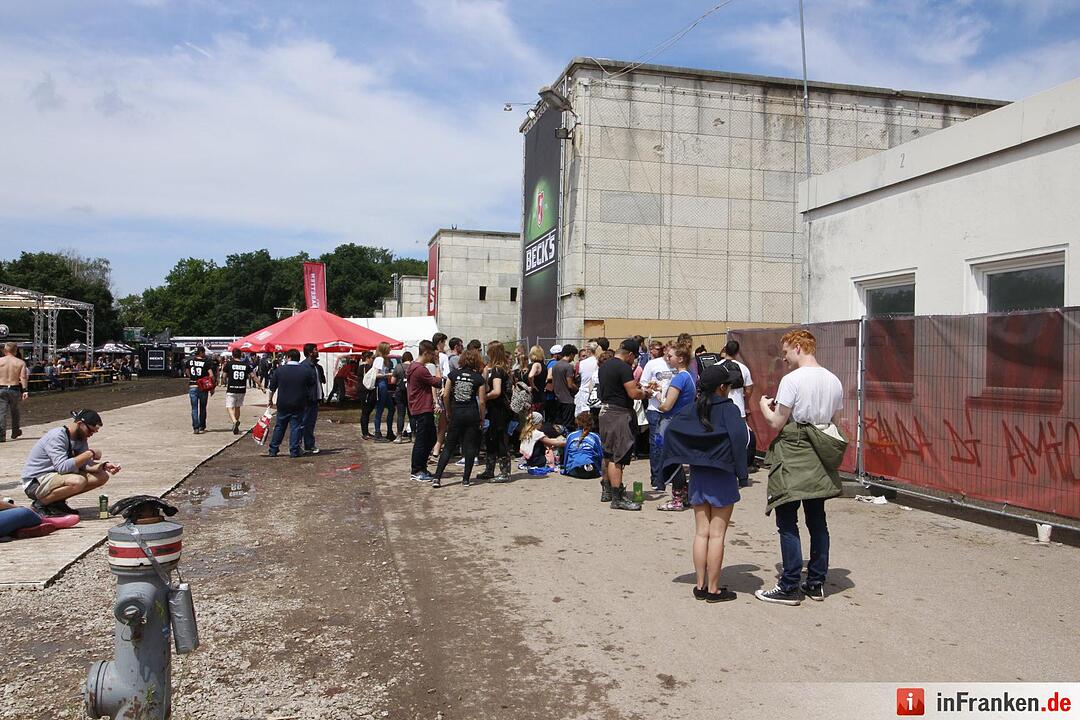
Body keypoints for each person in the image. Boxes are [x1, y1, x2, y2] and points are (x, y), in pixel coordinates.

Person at [755, 329, 847, 606]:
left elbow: (775, 422)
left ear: (797, 346)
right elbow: (836, 420)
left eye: (785, 353)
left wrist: (762, 406)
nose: (783, 359)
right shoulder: (833, 379)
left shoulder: (792, 380)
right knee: (817, 518)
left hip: (795, 451)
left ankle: (789, 584)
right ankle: (816, 582)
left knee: (786, 519)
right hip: (819, 450)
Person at [659, 364, 748, 603]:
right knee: (717, 535)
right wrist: (743, 474)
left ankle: (700, 584)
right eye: (728, 385)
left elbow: (671, 430)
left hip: (699, 475)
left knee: (701, 532)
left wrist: (683, 457)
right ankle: (714, 589)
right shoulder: (729, 410)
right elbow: (740, 440)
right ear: (722, 388)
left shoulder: (692, 409)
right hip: (722, 474)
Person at [20, 409, 121, 516]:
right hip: (36, 482)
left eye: (94, 432)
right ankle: (39, 505)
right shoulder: (57, 436)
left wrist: (104, 466)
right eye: (90, 431)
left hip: (56, 477)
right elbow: (62, 467)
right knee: (78, 481)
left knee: (102, 476)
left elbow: (85, 465)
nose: (91, 434)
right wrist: (90, 453)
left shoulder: (80, 438)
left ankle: (56, 502)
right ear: (80, 424)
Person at [597, 338, 647, 511]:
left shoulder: (605, 365)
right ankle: (617, 497)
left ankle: (607, 489)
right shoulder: (623, 367)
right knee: (618, 457)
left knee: (608, 453)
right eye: (634, 357)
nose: (634, 361)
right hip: (619, 414)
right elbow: (633, 393)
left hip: (605, 412)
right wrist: (645, 393)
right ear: (630, 354)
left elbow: (616, 387)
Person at [432, 349, 486, 488]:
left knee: (449, 446)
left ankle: (437, 477)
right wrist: (481, 417)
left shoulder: (453, 374)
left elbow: (445, 395)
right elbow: (481, 401)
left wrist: (448, 411)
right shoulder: (478, 378)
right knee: (469, 447)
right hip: (471, 413)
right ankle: (466, 479)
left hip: (456, 412)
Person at [654, 344, 698, 511]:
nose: (667, 358)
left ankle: (677, 498)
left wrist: (656, 399)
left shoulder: (680, 378)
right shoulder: (690, 376)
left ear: (680, 358)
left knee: (671, 460)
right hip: (682, 422)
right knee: (676, 459)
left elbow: (667, 406)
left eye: (670, 355)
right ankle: (684, 495)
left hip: (672, 422)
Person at [266, 348, 315, 459]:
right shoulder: (305, 370)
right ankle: (294, 450)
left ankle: (273, 449)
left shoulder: (280, 370)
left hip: (283, 402)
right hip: (299, 402)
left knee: (279, 426)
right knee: (296, 427)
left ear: (288, 357)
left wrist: (270, 400)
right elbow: (311, 385)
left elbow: (272, 387)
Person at [719, 339, 757, 479]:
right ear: (737, 352)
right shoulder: (743, 368)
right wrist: (742, 397)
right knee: (740, 440)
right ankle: (739, 471)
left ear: (725, 350)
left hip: (720, 408)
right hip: (738, 408)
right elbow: (749, 389)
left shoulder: (716, 366)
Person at [406, 340, 443, 482]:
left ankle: (422, 467)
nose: (433, 357)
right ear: (426, 353)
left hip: (420, 407)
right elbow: (437, 382)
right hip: (422, 408)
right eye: (432, 355)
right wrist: (438, 365)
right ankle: (416, 470)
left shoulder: (415, 367)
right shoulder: (420, 369)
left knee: (431, 438)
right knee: (422, 440)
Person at [477, 341, 513, 482]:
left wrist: (483, 397)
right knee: (491, 438)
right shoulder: (497, 368)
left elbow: (497, 391)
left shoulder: (498, 370)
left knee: (499, 439)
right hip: (495, 410)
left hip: (499, 410)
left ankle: (504, 472)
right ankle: (489, 470)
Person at [639, 340, 672, 491]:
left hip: (673, 410)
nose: (670, 356)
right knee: (656, 444)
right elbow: (643, 383)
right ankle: (657, 477)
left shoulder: (678, 367)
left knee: (671, 443)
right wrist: (653, 391)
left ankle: (670, 474)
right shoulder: (653, 364)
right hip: (655, 409)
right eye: (669, 352)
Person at [220, 349, 262, 435]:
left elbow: (224, 376)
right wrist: (261, 385)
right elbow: (253, 376)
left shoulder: (229, 364)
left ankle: (235, 421)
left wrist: (224, 382)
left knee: (229, 407)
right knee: (237, 407)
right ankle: (236, 425)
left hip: (232, 388)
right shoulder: (246, 365)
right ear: (241, 355)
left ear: (232, 355)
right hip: (242, 389)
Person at [0, 342, 29, 442]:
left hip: (1, 388)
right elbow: (23, 377)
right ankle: (15, 431)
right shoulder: (20, 363)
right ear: (16, 351)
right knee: (15, 412)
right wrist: (25, 390)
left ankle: (1, 434)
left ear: (5, 350)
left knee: (1, 412)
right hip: (14, 389)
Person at [562, 412, 603, 479]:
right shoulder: (595, 436)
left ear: (577, 422)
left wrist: (565, 469)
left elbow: (566, 454)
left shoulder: (570, 436)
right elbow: (600, 455)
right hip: (592, 469)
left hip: (574, 469)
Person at [301, 343, 326, 454]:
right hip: (308, 400)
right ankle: (301, 444)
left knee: (310, 423)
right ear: (310, 352)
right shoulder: (305, 366)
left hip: (315, 398)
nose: (317, 351)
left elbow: (320, 381)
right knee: (304, 423)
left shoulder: (316, 366)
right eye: (315, 350)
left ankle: (309, 444)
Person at [371, 342, 395, 442]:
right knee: (380, 409)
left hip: (384, 384)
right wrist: (388, 374)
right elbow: (375, 375)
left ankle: (389, 431)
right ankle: (377, 433)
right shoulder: (379, 359)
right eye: (389, 348)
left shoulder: (383, 359)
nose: (390, 350)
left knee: (391, 408)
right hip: (381, 385)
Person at [186, 346, 213, 434]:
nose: (205, 354)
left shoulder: (190, 361)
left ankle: (195, 427)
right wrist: (212, 387)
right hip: (203, 387)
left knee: (194, 408)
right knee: (203, 407)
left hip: (192, 386)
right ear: (201, 352)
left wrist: (192, 378)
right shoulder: (206, 362)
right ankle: (202, 425)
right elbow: (211, 375)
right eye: (204, 352)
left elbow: (187, 372)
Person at [549, 345, 578, 428]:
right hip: (568, 400)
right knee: (567, 425)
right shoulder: (568, 367)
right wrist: (578, 389)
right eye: (574, 356)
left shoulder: (555, 366)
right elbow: (570, 385)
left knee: (559, 425)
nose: (573, 358)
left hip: (557, 399)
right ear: (571, 354)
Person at [392, 351, 413, 444]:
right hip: (411, 392)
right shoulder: (413, 367)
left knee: (400, 414)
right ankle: (413, 436)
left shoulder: (398, 367)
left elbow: (393, 381)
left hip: (400, 392)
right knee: (411, 414)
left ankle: (399, 436)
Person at [358, 351, 376, 440]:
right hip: (366, 392)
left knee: (366, 412)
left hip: (362, 391)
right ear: (368, 358)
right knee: (365, 412)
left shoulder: (360, 367)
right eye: (372, 358)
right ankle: (364, 432)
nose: (373, 360)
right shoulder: (366, 367)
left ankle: (365, 431)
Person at [526, 345, 547, 412]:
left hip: (535, 396)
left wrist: (532, 385)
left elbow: (530, 376)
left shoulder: (536, 365)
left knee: (533, 418)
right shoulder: (543, 365)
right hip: (541, 393)